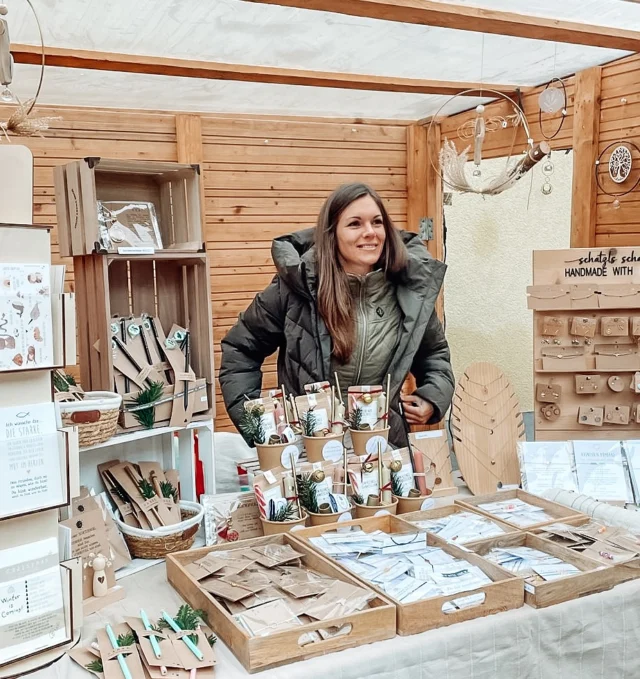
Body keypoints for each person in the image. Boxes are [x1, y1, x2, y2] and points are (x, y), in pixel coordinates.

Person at [219, 182, 454, 447]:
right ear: (333, 234)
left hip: (383, 446)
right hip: (309, 454)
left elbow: (434, 355)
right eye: (355, 224)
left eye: (377, 223)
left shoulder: (409, 289)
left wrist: (432, 397)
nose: (370, 233)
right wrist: (256, 423)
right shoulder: (297, 286)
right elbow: (240, 349)